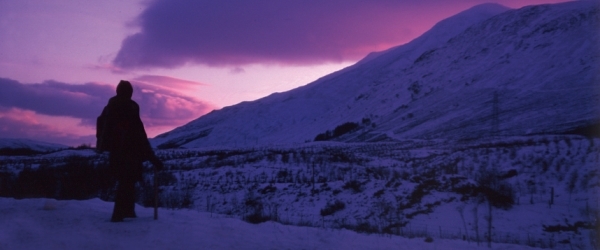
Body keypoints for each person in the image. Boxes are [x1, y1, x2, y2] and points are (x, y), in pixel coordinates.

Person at [97, 80, 163, 222]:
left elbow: (103, 126)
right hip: (129, 151)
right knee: (127, 181)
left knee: (125, 181)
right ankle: (119, 214)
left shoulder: (109, 107)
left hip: (115, 151)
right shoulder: (130, 107)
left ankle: (127, 211)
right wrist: (151, 157)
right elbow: (138, 132)